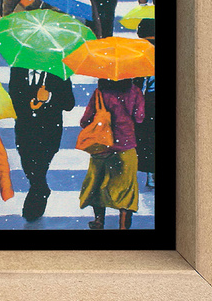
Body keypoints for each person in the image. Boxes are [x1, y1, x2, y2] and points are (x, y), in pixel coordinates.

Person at [9, 66, 75, 221]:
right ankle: (41, 188)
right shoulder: (18, 70)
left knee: (39, 167)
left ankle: (36, 200)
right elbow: (13, 97)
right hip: (25, 130)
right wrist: (30, 102)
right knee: (28, 165)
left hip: (49, 131)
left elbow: (69, 103)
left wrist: (49, 97)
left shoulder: (59, 71)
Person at [78, 78, 145, 229]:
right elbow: (139, 118)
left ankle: (99, 220)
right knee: (126, 189)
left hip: (102, 146)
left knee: (98, 185)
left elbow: (85, 120)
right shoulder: (135, 92)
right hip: (126, 146)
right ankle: (123, 225)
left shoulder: (99, 93)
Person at [135, 19, 156, 188]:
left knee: (146, 136)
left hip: (145, 101)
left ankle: (150, 172)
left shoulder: (138, 52)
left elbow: (135, 82)